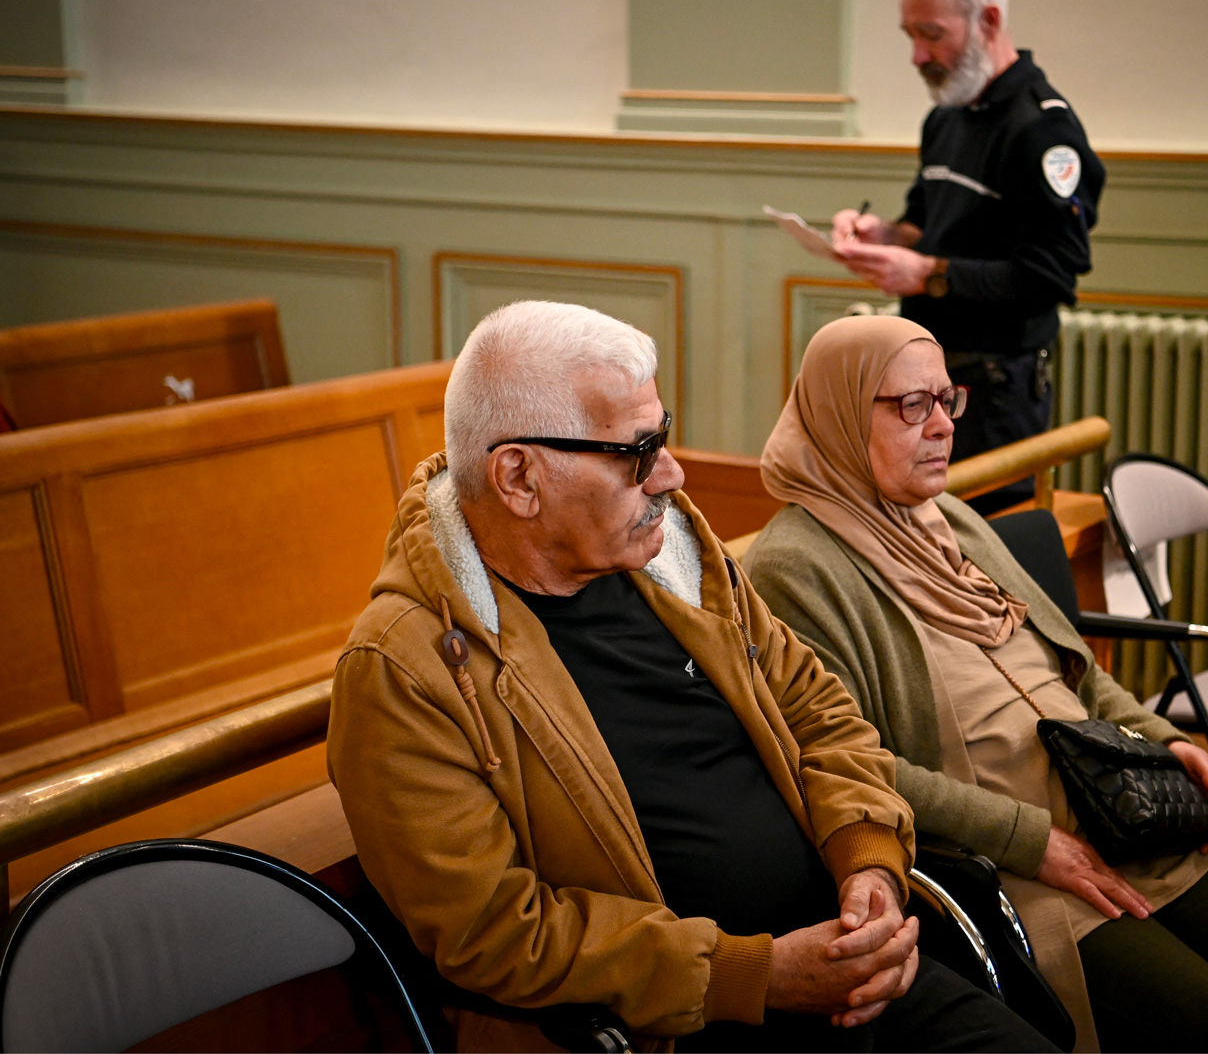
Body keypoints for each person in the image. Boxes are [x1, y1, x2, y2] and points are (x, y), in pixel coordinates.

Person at [327, 301, 1057, 1053]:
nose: (672, 475)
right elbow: (492, 930)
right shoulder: (406, 669)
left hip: (846, 968)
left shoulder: (672, 558)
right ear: (518, 476)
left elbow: (821, 715)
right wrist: (756, 973)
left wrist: (867, 862)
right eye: (639, 453)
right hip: (674, 1026)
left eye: (663, 435)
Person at [743, 315, 1208, 1053]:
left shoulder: (950, 519)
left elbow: (1078, 669)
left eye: (948, 400)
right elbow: (855, 767)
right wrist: (1035, 842)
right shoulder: (793, 568)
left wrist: (1165, 741)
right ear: (839, 413)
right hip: (1001, 855)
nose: (941, 427)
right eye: (912, 405)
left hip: (1108, 802)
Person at [832, 0, 1105, 512]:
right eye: (910, 35)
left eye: (931, 34)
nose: (916, 56)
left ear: (989, 21)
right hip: (927, 377)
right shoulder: (946, 116)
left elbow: (1050, 276)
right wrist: (882, 236)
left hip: (996, 392)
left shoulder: (1041, 131)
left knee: (987, 563)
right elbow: (924, 227)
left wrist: (927, 273)